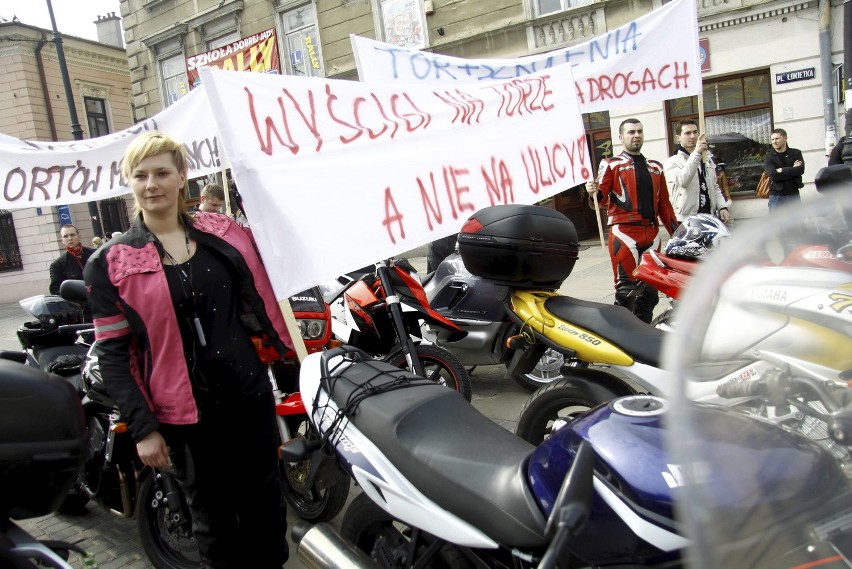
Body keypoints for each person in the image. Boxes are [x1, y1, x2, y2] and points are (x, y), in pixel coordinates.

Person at [83, 131, 291, 568]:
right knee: (214, 528)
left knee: (266, 513)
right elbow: (114, 354)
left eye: (162, 172)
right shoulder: (110, 262)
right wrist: (143, 428)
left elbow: (268, 291)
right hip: (184, 417)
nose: (151, 183)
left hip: (248, 397)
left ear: (183, 177)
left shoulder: (227, 234)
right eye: (140, 175)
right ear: (130, 182)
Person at [586, 118, 680, 323]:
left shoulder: (656, 167)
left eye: (639, 131)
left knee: (650, 291)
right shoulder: (611, 164)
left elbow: (664, 204)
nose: (636, 135)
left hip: (653, 234)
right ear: (621, 137)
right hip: (624, 232)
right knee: (626, 290)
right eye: (631, 132)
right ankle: (621, 336)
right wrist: (591, 191)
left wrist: (679, 234)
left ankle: (643, 333)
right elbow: (598, 201)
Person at [663, 119, 730, 224]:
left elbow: (714, 186)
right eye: (687, 133)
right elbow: (683, 181)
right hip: (685, 219)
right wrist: (697, 153)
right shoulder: (672, 162)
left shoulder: (706, 159)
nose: (693, 136)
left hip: (708, 216)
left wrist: (722, 207)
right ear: (678, 137)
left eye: (695, 132)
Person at [763, 128, 805, 211]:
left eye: (777, 138)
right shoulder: (768, 156)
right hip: (776, 196)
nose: (774, 141)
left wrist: (782, 170)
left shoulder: (796, 153)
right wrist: (792, 170)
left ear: (785, 138)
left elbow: (800, 170)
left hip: (793, 194)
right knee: (777, 223)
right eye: (772, 139)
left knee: (796, 222)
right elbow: (773, 176)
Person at [49, 224, 95, 295]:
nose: (70, 238)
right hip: (79, 303)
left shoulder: (94, 254)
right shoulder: (57, 265)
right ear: (62, 240)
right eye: (65, 236)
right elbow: (55, 291)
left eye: (72, 235)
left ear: (79, 236)